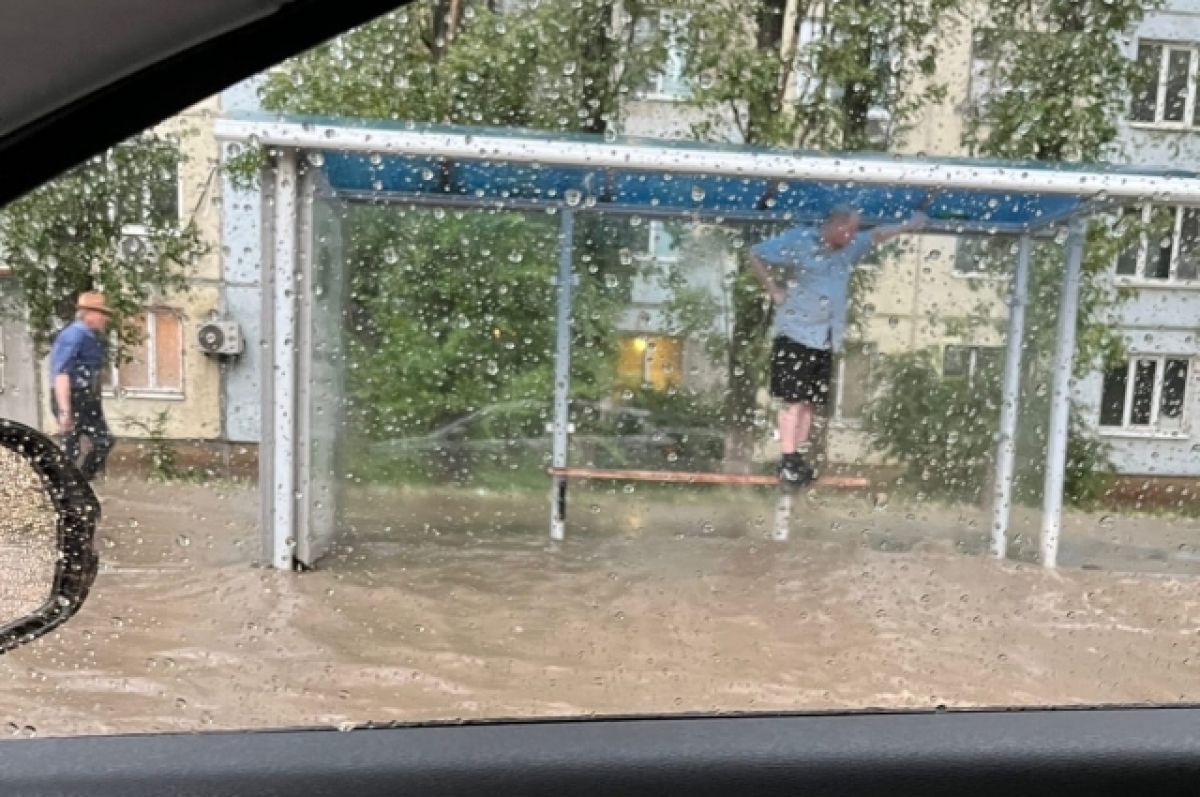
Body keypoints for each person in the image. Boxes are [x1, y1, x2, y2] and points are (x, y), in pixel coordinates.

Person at [749, 205, 927, 485]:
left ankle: (796, 456)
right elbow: (755, 253)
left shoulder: (849, 248)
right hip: (795, 333)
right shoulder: (799, 241)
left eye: (856, 230)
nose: (854, 236)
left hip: (824, 337)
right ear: (835, 225)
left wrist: (907, 225)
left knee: (809, 403)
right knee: (793, 400)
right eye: (850, 229)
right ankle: (786, 459)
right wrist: (773, 290)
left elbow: (878, 235)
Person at [49, 291, 114, 480]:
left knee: (101, 441)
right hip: (71, 396)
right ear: (87, 314)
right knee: (72, 448)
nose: (105, 319)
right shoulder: (74, 335)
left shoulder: (88, 335)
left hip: (84, 396)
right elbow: (61, 373)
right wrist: (64, 411)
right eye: (101, 314)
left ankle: (79, 484)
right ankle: (59, 489)